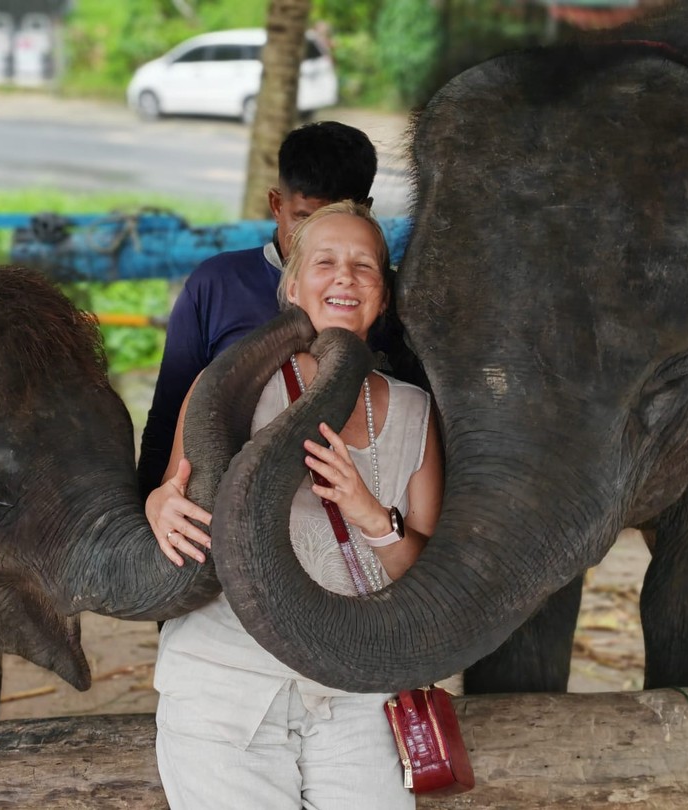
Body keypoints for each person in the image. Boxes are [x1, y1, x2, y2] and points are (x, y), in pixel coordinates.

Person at [145, 201, 444, 809]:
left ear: (383, 295)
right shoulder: (225, 388)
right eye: (326, 261)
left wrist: (370, 516)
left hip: (357, 686)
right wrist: (157, 507)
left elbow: (430, 581)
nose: (345, 276)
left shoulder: (415, 409)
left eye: (365, 266)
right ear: (292, 284)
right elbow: (173, 495)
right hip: (225, 681)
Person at [136, 121, 379, 500]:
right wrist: (153, 503)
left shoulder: (373, 296)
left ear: (364, 212)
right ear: (277, 205)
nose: (318, 238)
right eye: (304, 218)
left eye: (335, 219)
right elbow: (166, 420)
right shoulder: (216, 285)